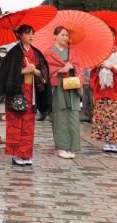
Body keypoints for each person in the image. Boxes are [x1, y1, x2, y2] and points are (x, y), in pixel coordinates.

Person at [0, 25, 49, 166]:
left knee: (28, 126)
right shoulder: (13, 53)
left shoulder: (36, 53)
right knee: (16, 124)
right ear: (19, 35)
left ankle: (26, 154)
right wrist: (22, 70)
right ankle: (16, 155)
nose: (31, 36)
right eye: (27, 33)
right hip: (17, 94)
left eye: (32, 33)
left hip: (32, 94)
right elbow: (5, 73)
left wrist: (36, 72)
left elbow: (43, 72)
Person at [43, 26, 84, 159]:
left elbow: (79, 67)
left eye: (66, 35)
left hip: (71, 86)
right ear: (54, 36)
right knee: (60, 116)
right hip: (58, 88)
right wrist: (58, 70)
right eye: (62, 35)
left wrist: (73, 67)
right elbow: (45, 71)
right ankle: (61, 146)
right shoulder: (48, 53)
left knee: (73, 116)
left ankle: (72, 146)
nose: (65, 37)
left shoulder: (72, 52)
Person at [89, 29, 117, 153]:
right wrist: (99, 65)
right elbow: (92, 67)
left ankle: (113, 142)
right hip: (101, 88)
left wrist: (110, 66)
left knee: (114, 115)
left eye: (112, 36)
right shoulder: (98, 51)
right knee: (102, 115)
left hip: (114, 88)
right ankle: (106, 141)